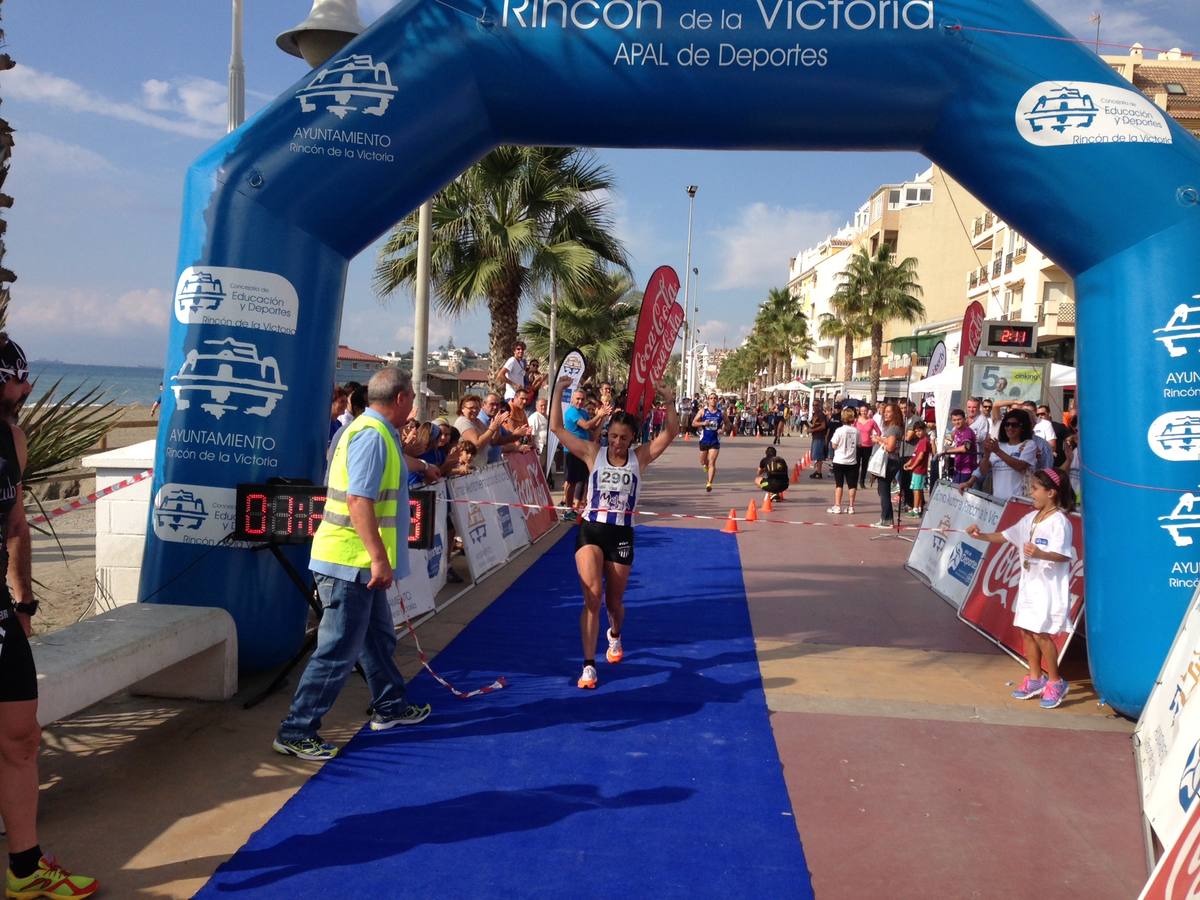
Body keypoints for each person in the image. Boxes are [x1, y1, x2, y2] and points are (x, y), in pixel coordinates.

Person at [275, 368, 438, 762]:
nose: (414, 408)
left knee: (378, 639)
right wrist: (380, 559)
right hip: (349, 564)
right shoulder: (371, 436)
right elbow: (359, 501)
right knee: (337, 650)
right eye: (412, 400)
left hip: (359, 566)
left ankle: (390, 705)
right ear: (399, 399)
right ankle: (297, 729)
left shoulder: (377, 433)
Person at [0, 336, 99, 898]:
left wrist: (24, 604)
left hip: (0, 612)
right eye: (16, 378)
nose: (26, 389)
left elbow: (15, 525)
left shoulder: (12, 438)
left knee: (20, 738)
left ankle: (26, 869)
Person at [550, 377, 679, 690]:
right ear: (607, 434)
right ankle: (589, 665)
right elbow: (556, 428)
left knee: (613, 602)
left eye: (624, 437)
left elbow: (671, 433)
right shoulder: (594, 452)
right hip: (591, 530)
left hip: (621, 535)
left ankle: (615, 634)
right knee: (591, 597)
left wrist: (669, 402)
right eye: (614, 436)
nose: (618, 442)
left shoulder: (640, 457)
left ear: (633, 437)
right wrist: (557, 391)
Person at [966, 469, 1076, 709]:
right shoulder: (1030, 518)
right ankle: (1035, 678)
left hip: (1047, 588)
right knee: (1026, 631)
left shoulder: (1059, 522)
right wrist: (980, 535)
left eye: (1035, 489)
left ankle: (1056, 681)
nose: (1031, 493)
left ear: (1051, 492)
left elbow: (1064, 555)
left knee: (1041, 633)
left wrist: (1040, 553)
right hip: (1029, 585)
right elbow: (1005, 536)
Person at [960, 411, 1038, 501]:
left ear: (1023, 427)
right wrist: (986, 455)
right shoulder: (1000, 445)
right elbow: (984, 471)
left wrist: (997, 451)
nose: (1010, 428)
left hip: (1019, 501)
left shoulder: (1029, 445)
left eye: (1014, 425)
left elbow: (1020, 466)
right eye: (1007, 424)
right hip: (998, 501)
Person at [562, 388, 610, 520]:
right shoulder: (571, 412)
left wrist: (603, 417)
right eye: (577, 399)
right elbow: (587, 426)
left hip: (585, 451)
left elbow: (594, 431)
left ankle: (578, 507)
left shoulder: (583, 412)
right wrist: (599, 415)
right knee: (571, 481)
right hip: (572, 451)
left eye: (582, 399)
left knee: (582, 480)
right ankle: (568, 509)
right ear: (572, 399)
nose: (580, 401)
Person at [869, 402, 904, 528]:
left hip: (890, 461)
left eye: (889, 412)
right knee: (883, 490)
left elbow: (890, 447)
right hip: (893, 461)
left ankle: (886, 519)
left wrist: (878, 440)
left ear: (895, 414)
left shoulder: (893, 428)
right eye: (885, 412)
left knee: (884, 491)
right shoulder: (895, 428)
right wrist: (881, 439)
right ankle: (886, 518)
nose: (886, 414)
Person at [827, 407, 859, 514]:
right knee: (852, 484)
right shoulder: (856, 431)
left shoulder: (839, 430)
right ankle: (851, 506)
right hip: (852, 461)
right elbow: (859, 444)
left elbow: (834, 445)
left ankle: (837, 506)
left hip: (839, 460)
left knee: (839, 484)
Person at [691, 393, 724, 492]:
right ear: (708, 400)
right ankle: (704, 465)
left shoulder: (721, 413)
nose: (713, 400)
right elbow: (693, 423)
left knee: (712, 462)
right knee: (702, 461)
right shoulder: (702, 411)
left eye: (715, 398)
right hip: (704, 440)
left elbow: (727, 424)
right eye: (711, 398)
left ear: (717, 400)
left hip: (715, 440)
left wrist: (722, 430)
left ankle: (709, 483)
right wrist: (703, 423)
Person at [903, 420, 930, 517]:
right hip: (916, 469)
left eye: (920, 430)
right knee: (916, 489)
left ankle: (915, 509)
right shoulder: (920, 441)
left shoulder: (924, 441)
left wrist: (913, 466)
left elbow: (921, 456)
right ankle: (917, 508)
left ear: (924, 430)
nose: (918, 433)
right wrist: (908, 463)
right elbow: (915, 455)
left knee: (916, 490)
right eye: (916, 431)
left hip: (919, 470)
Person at [944, 409, 978, 486]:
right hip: (958, 468)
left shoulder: (967, 432)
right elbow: (950, 439)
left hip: (967, 470)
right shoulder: (956, 431)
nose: (957, 422)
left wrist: (948, 450)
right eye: (954, 420)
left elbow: (966, 447)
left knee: (959, 493)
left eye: (959, 419)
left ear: (964, 419)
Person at [853, 403, 880, 490]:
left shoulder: (871, 421)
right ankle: (854, 483)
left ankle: (862, 482)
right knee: (856, 465)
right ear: (859, 412)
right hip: (858, 445)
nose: (864, 412)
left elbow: (879, 432)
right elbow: (851, 431)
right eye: (862, 411)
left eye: (865, 411)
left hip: (868, 446)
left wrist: (874, 439)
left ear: (868, 411)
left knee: (865, 465)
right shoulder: (856, 421)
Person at [807, 400, 829, 479]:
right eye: (813, 405)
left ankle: (819, 472)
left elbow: (823, 426)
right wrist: (810, 428)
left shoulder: (821, 414)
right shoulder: (815, 414)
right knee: (816, 455)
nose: (814, 406)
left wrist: (812, 430)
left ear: (820, 406)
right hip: (815, 436)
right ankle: (817, 471)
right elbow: (814, 424)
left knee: (819, 455)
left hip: (820, 437)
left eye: (816, 405)